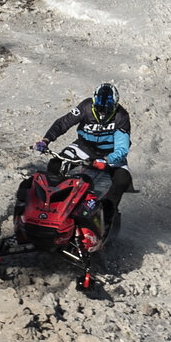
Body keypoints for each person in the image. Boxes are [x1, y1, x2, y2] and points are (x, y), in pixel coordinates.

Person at [37, 81, 132, 234]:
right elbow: (63, 123)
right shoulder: (85, 107)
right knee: (55, 165)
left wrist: (107, 160)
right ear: (94, 103)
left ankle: (107, 219)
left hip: (110, 154)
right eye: (99, 109)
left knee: (122, 180)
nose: (102, 114)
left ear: (115, 106)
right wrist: (46, 140)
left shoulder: (122, 116)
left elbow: (122, 148)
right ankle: (51, 205)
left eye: (107, 110)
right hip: (83, 147)